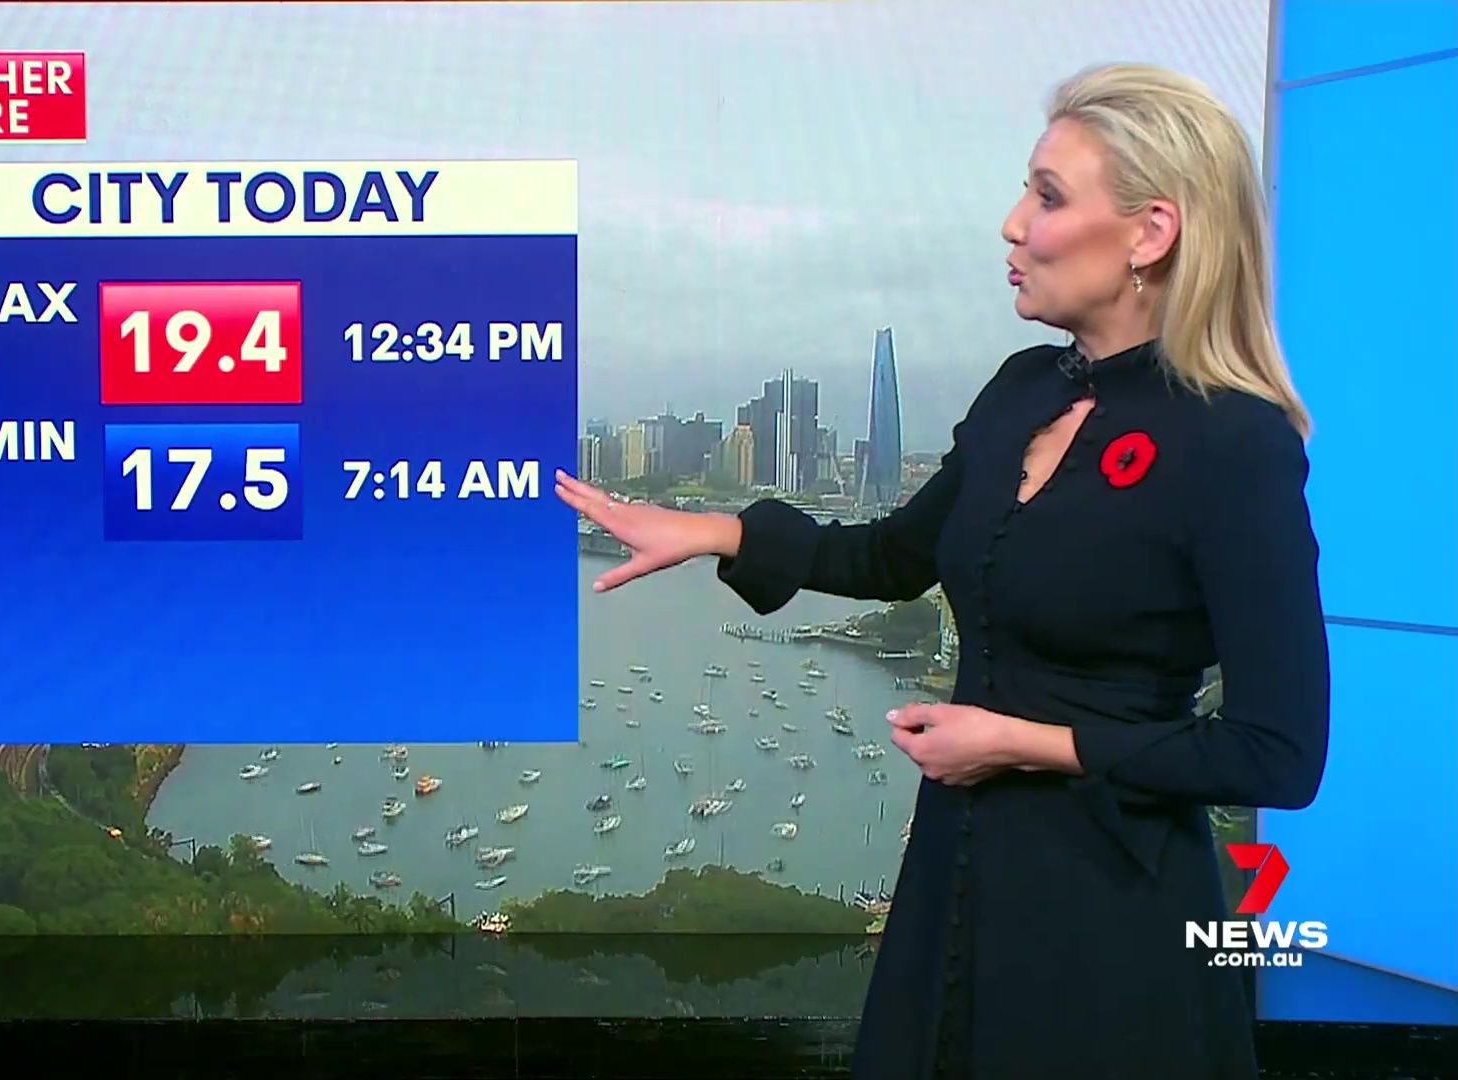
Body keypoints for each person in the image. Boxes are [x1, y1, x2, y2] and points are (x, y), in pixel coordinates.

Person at [555, 62, 1329, 1080]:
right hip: (961, 872)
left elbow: (1277, 755)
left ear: (1150, 233)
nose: (1012, 225)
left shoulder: (1233, 444)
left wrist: (1017, 742)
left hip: (1113, 915)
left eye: (1047, 196)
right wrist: (716, 533)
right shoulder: (1020, 392)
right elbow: (891, 556)